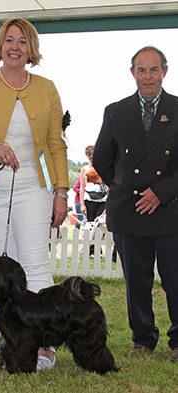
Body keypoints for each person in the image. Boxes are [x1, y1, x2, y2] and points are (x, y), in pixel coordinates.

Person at [0, 18, 69, 370]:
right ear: (0, 45)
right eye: (9, 40)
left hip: (33, 187)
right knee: (0, 267)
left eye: (22, 41)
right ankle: (10, 339)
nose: (15, 47)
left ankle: (44, 344)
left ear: (31, 48)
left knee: (34, 264)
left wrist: (61, 192)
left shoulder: (47, 87)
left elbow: (55, 143)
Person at [93, 46, 178, 361]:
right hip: (130, 211)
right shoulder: (116, 111)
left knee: (176, 281)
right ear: (133, 74)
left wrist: (160, 192)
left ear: (164, 71)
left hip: (171, 210)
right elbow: (103, 158)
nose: (148, 76)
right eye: (141, 70)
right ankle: (142, 339)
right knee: (136, 284)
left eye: (153, 69)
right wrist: (125, 188)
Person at [80, 145, 107, 256]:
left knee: (99, 224)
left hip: (102, 198)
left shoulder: (104, 167)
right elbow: (82, 187)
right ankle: (91, 250)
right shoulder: (84, 169)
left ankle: (98, 250)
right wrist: (82, 204)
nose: (92, 160)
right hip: (89, 199)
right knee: (90, 224)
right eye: (90, 158)